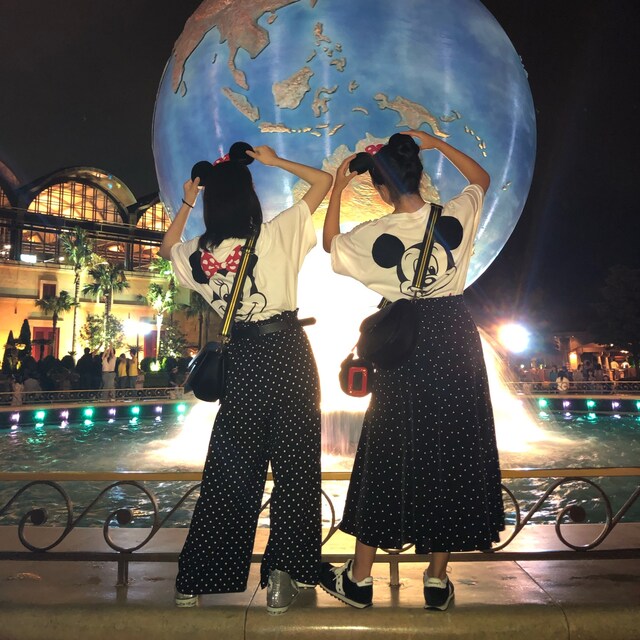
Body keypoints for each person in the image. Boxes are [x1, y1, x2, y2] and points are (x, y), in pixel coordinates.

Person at [319, 130, 504, 611]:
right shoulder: (455, 216)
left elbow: (330, 244)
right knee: (452, 449)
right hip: (455, 338)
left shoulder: (375, 235)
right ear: (419, 176)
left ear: (381, 189)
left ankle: (359, 579)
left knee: (387, 451)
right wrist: (437, 143)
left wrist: (337, 188)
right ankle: (437, 581)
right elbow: (482, 178)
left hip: (404, 342)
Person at [159, 143, 332, 613]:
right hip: (288, 354)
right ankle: (282, 578)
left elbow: (166, 247)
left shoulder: (198, 254)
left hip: (243, 360)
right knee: (296, 470)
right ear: (249, 196)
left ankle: (195, 578)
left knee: (231, 470)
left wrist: (188, 199)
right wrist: (275, 161)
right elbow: (324, 182)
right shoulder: (278, 233)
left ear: (213, 202)